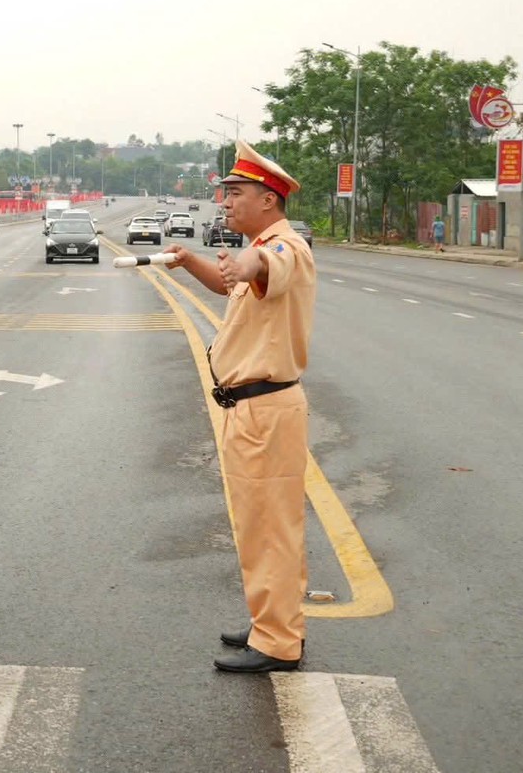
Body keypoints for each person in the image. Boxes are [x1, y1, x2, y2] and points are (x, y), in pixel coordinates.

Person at [164, 140, 316, 673]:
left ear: (269, 200)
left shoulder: (284, 249)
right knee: (259, 525)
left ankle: (278, 642)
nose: (225, 202)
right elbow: (235, 281)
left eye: (236, 193)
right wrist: (190, 262)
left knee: (270, 528)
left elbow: (256, 264)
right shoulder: (265, 249)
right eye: (225, 194)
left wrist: (243, 259)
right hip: (251, 411)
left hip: (266, 412)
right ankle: (271, 622)